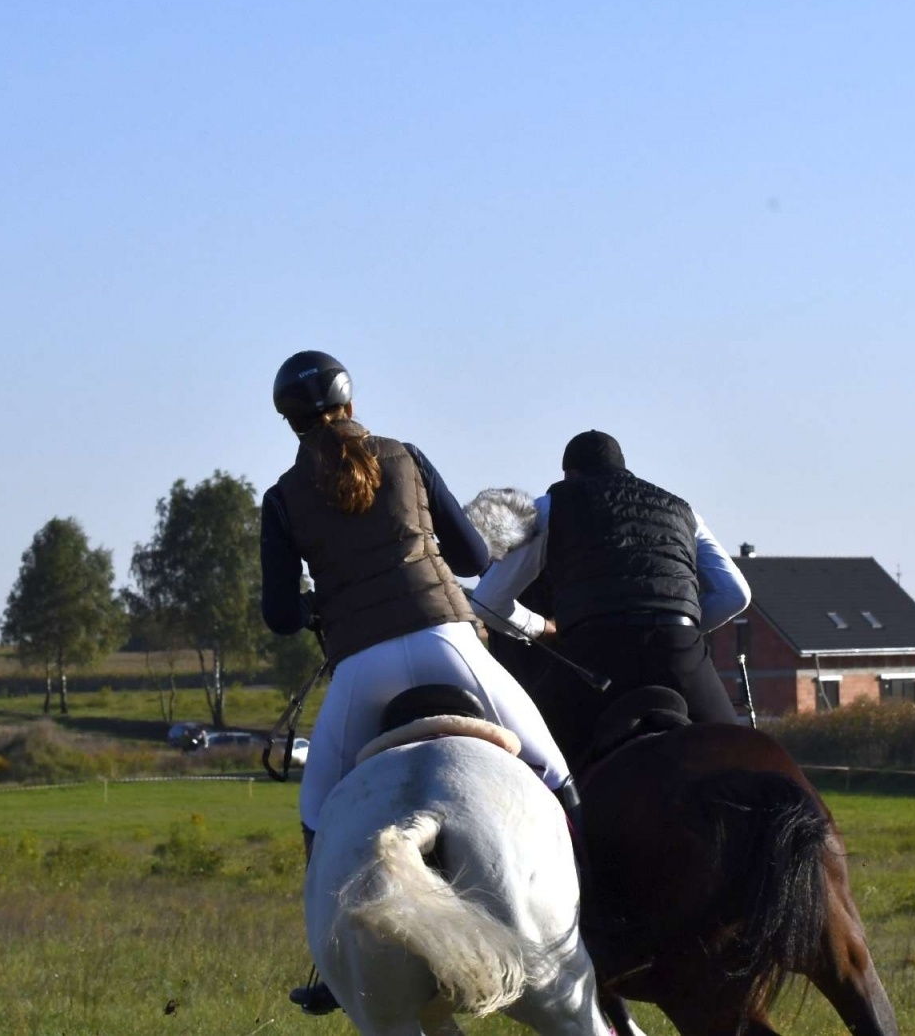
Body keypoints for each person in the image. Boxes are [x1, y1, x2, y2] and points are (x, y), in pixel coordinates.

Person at [260, 351, 576, 1016]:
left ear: (289, 421)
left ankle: (330, 969)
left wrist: (325, 604)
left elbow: (282, 617)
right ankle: (595, 919)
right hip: (448, 643)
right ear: (350, 402)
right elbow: (475, 557)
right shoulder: (404, 456)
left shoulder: (283, 499)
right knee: (555, 773)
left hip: (361, 670)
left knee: (318, 813)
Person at [471, 429, 752, 770]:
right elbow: (735, 594)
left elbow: (487, 602)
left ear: (569, 475)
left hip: (595, 655)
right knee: (742, 762)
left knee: (537, 768)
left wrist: (542, 627)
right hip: (678, 652)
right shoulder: (682, 510)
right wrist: (683, 626)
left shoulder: (549, 508)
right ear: (624, 470)